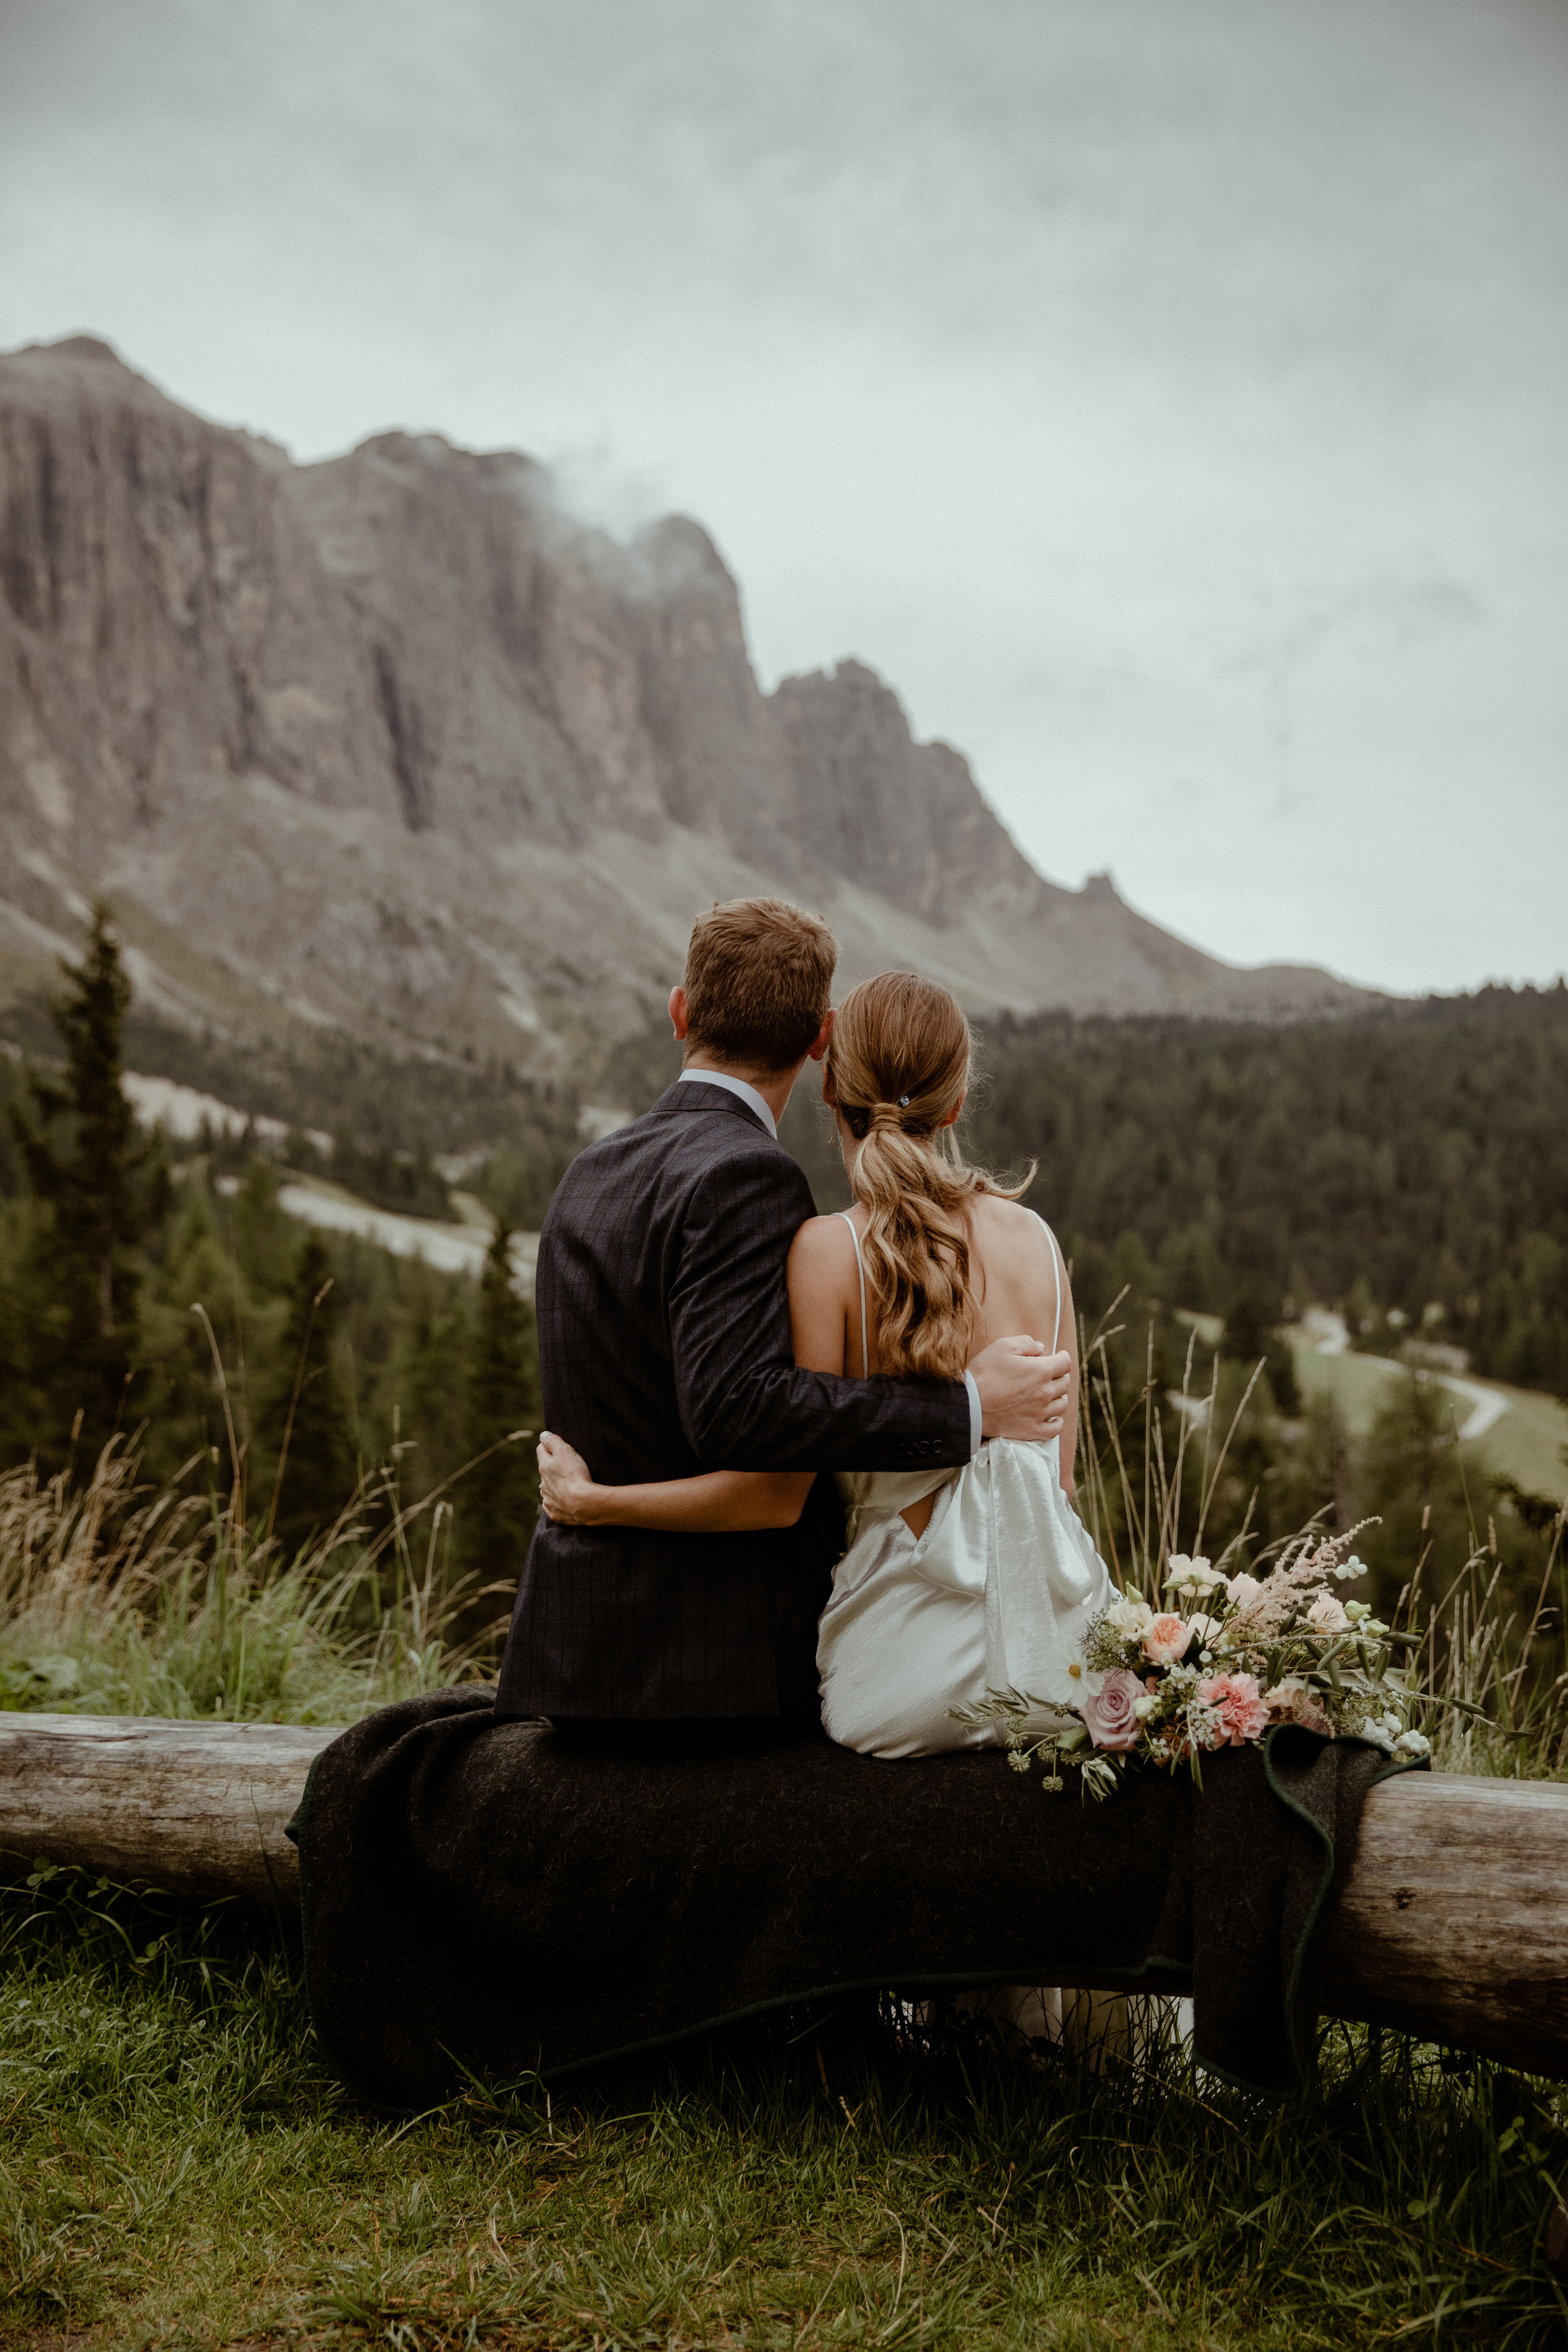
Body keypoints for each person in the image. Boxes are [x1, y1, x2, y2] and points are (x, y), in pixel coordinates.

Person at [492, 899, 1072, 1753]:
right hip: (718, 1675)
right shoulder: (752, 1177)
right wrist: (971, 1410)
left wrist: (590, 1503)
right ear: (816, 1039)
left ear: (680, 1012)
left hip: (573, 1661)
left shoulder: (588, 1172)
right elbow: (752, 1426)